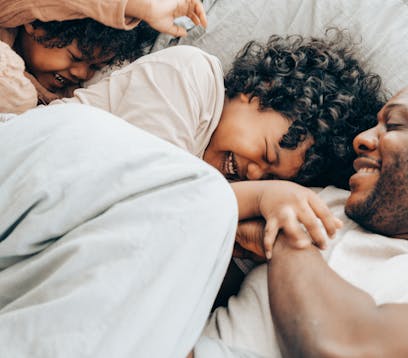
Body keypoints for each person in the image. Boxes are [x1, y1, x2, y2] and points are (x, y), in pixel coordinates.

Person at [195, 78, 408, 357]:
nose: (363, 139)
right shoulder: (324, 202)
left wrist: (290, 240)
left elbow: (346, 345)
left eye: (393, 125)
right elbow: (185, 221)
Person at [52, 31, 385, 255]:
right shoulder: (192, 75)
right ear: (261, 89)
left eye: (271, 178)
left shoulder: (216, 186)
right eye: (268, 153)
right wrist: (262, 196)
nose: (254, 174)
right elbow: (145, 197)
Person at [0, 103, 236, 357]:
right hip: (49, 153)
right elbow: (152, 193)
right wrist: (252, 199)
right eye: (268, 154)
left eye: (268, 173)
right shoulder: (199, 76)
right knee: (210, 198)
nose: (256, 171)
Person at [0, 0, 207, 113]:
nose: (81, 72)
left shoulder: (68, 99)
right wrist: (142, 7)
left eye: (95, 67)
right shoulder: (11, 9)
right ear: (35, 22)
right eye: (75, 57)